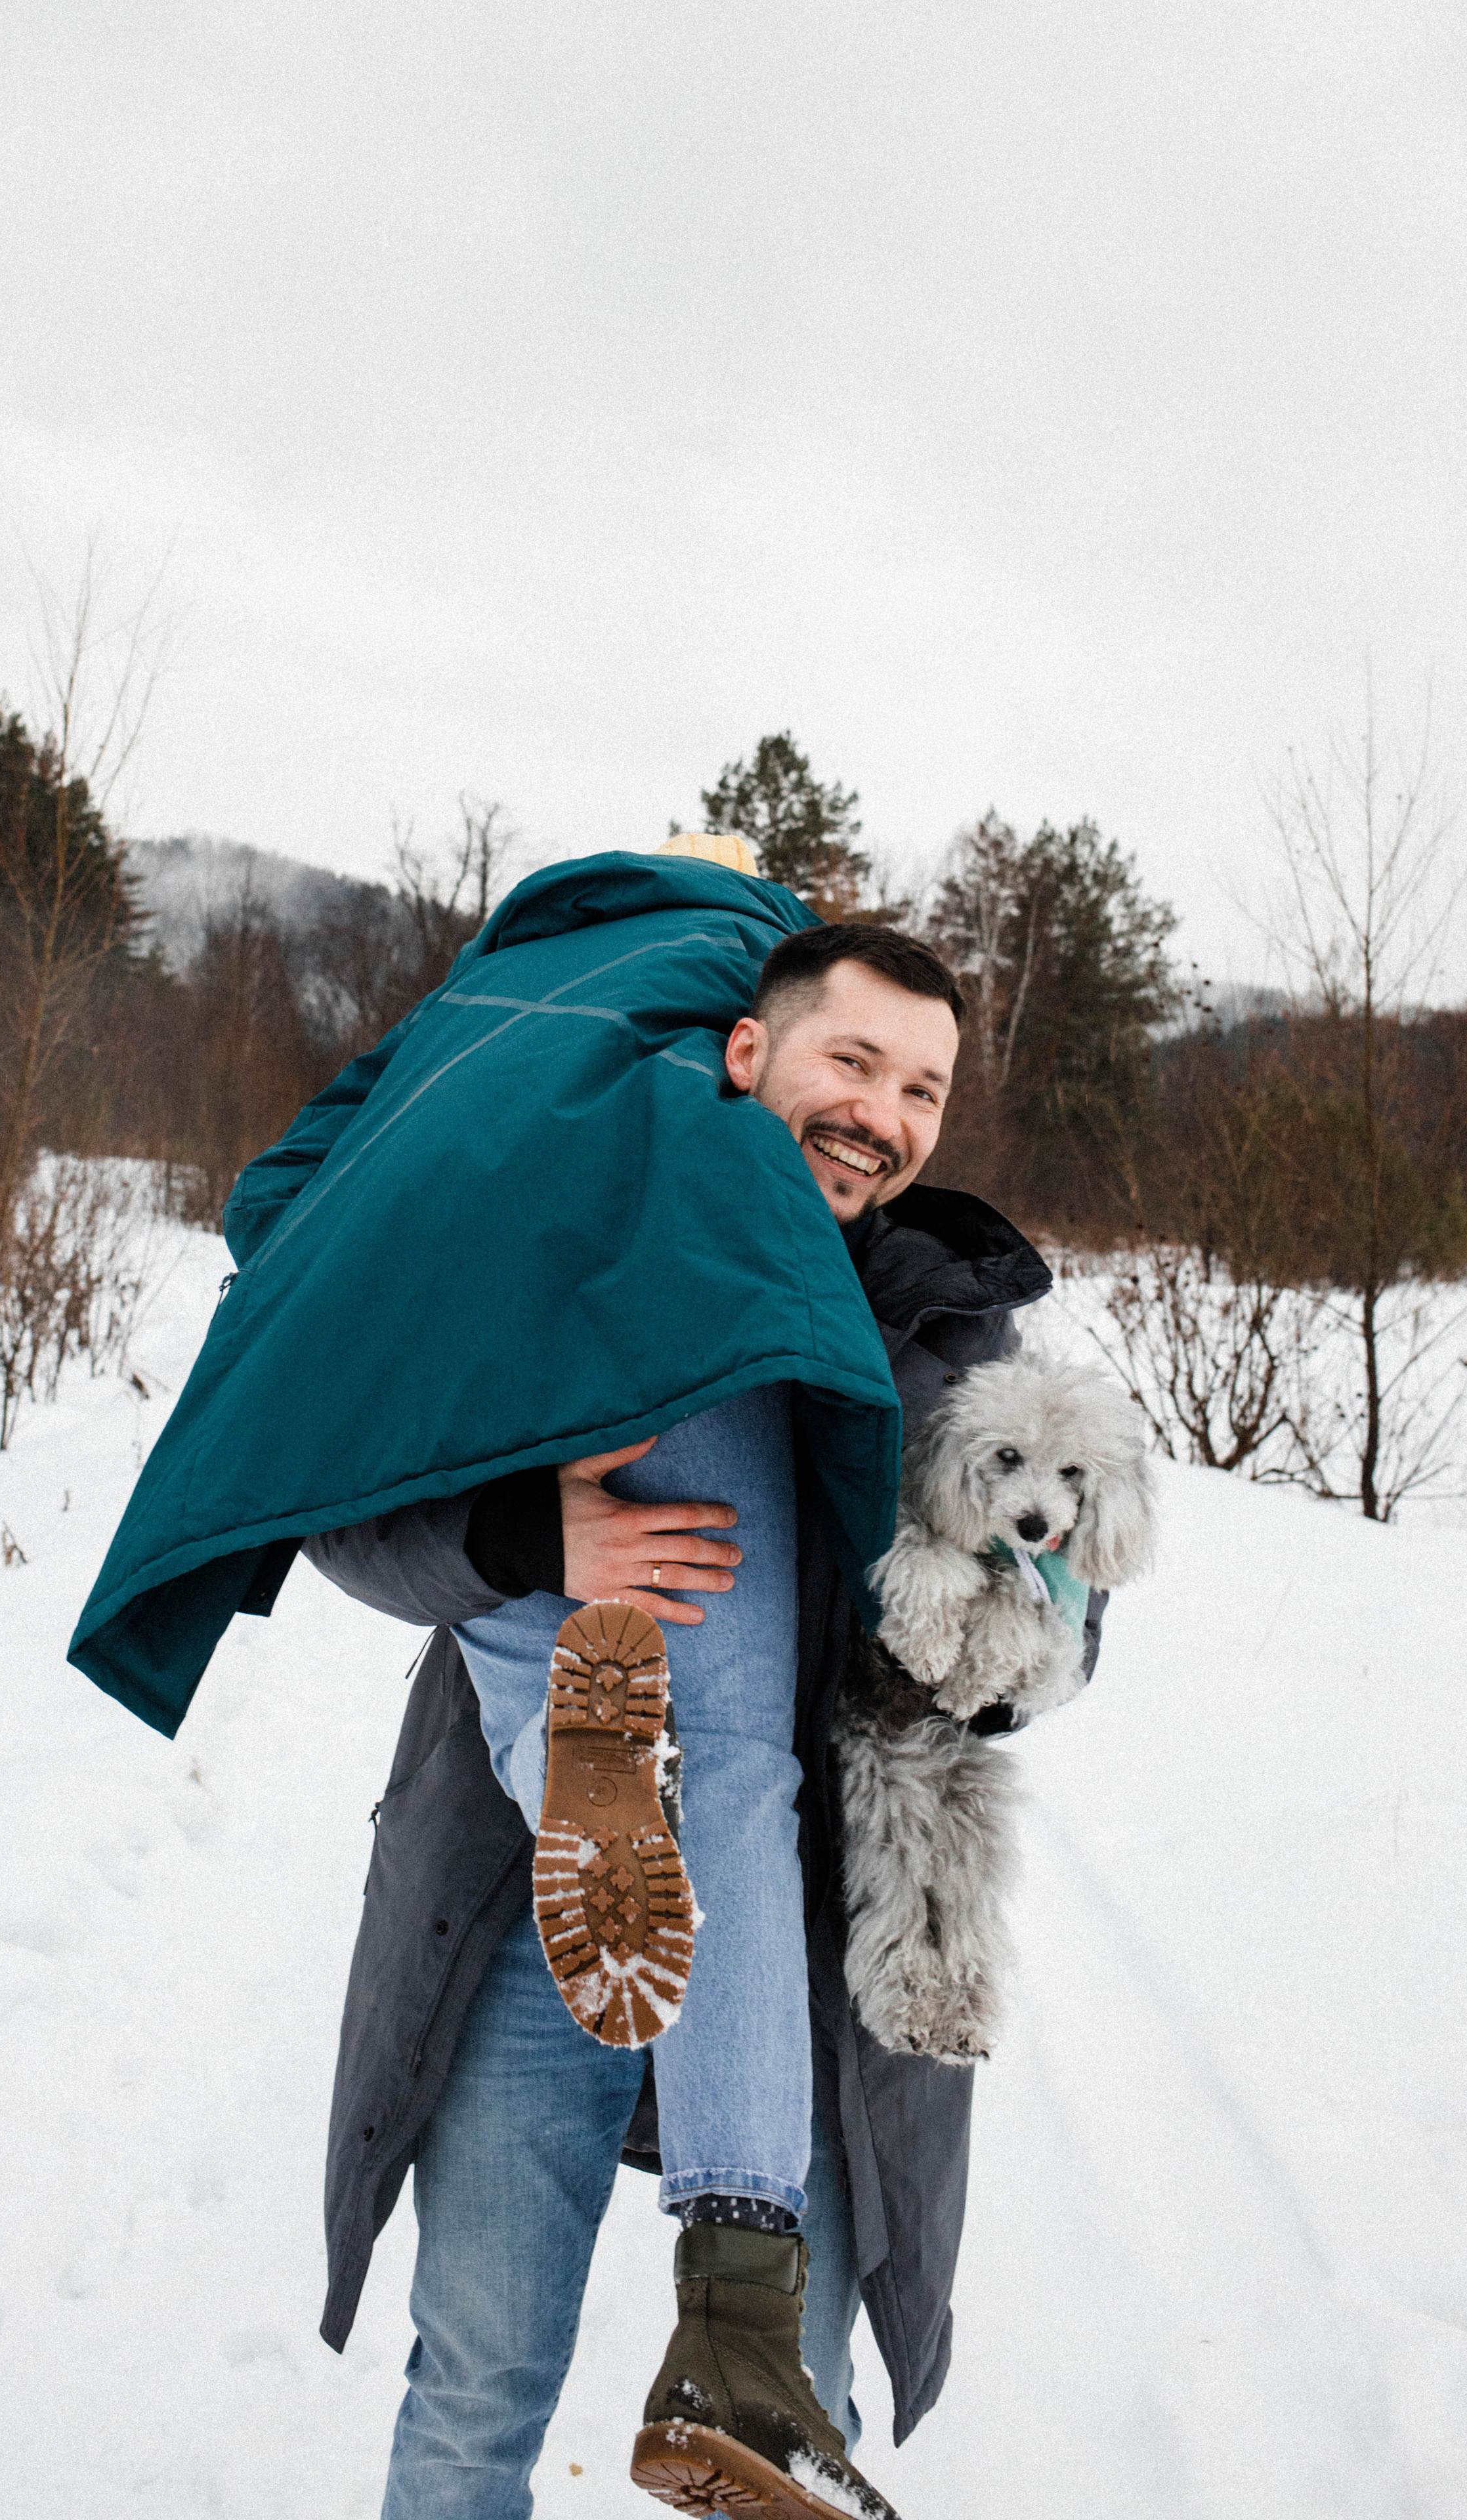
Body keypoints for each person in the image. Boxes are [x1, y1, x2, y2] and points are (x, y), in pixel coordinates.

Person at [305, 896, 1101, 2517]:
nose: (881, 1115)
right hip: (535, 1919)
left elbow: (1072, 1592)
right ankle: (590, 1760)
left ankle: (592, 1746)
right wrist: (536, 1533)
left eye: (921, 1091)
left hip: (796, 1942)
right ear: (751, 1051)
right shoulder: (571, 1226)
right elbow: (352, 1509)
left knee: (783, 2431)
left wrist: (1004, 1655)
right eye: (852, 1060)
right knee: (478, 2384)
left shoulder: (955, 1331)